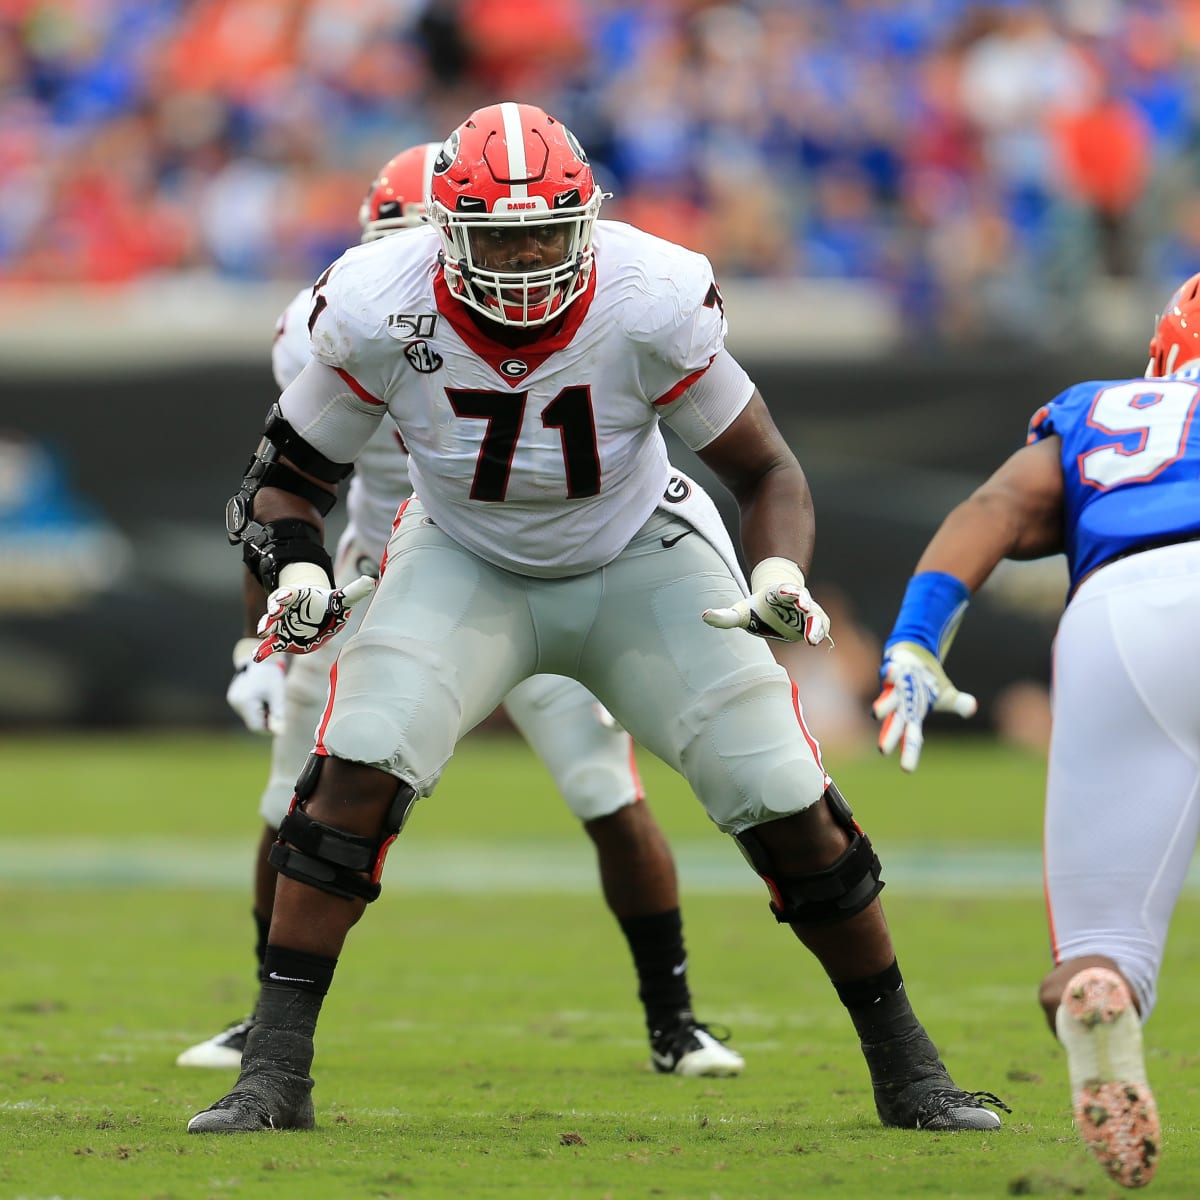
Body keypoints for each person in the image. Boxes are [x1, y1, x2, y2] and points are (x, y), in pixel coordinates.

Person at [190, 101, 1006, 1134]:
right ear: (445, 231)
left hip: (639, 554)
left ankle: (910, 1072)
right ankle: (273, 1077)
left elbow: (766, 468)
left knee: (786, 794)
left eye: (545, 230)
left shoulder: (650, 292)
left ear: (587, 220)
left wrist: (779, 572)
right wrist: (300, 569)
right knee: (353, 768)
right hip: (463, 556)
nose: (528, 257)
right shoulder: (375, 301)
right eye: (499, 235)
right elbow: (286, 478)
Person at [179, 142, 744, 1080]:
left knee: (607, 794)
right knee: (297, 805)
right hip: (374, 570)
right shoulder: (339, 321)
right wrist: (263, 642)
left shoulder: (602, 302)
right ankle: (267, 1022)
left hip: (559, 556)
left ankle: (673, 1018)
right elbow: (286, 490)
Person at [871, 275, 1200, 1187]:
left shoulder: (1103, 406)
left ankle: (1103, 988)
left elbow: (996, 510)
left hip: (1121, 612)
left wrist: (914, 636)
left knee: (1099, 948)